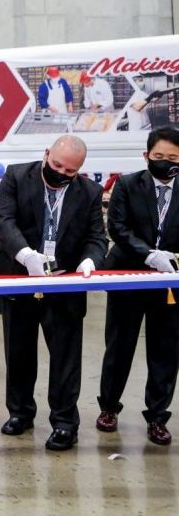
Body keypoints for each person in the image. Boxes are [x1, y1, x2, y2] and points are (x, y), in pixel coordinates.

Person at [0, 135, 107, 451]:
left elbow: (98, 238)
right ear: (46, 154)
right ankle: (20, 412)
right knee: (19, 352)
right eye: (56, 165)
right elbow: (3, 220)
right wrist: (26, 254)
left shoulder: (91, 193)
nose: (61, 173)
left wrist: (89, 261)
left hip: (64, 286)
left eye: (70, 171)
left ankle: (66, 423)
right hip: (20, 279)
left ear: (79, 170)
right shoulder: (15, 176)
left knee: (66, 358)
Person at [97, 127, 179, 446]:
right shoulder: (128, 184)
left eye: (172, 158)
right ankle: (108, 409)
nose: (165, 163)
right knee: (119, 345)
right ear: (147, 156)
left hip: (169, 282)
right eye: (158, 157)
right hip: (127, 275)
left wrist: (170, 259)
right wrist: (149, 254)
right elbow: (117, 227)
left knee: (165, 350)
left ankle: (158, 417)